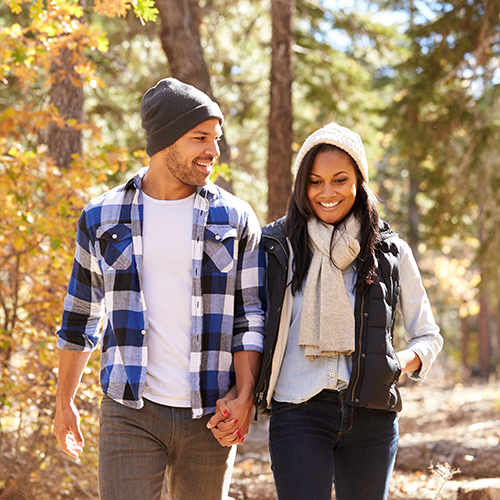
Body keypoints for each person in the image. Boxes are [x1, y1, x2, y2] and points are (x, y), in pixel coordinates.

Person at [53, 77, 266, 500]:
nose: (214, 151)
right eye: (200, 137)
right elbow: (81, 316)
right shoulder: (101, 215)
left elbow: (250, 316)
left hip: (211, 413)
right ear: (165, 141)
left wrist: (244, 397)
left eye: (216, 138)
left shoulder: (235, 217)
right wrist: (64, 404)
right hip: (128, 410)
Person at [253, 122, 443, 500]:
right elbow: (249, 326)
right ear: (301, 186)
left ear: (359, 180)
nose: (327, 192)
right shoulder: (277, 247)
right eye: (315, 181)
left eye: (339, 179)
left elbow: (428, 335)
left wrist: (396, 362)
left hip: (371, 415)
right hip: (298, 411)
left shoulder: (390, 251)